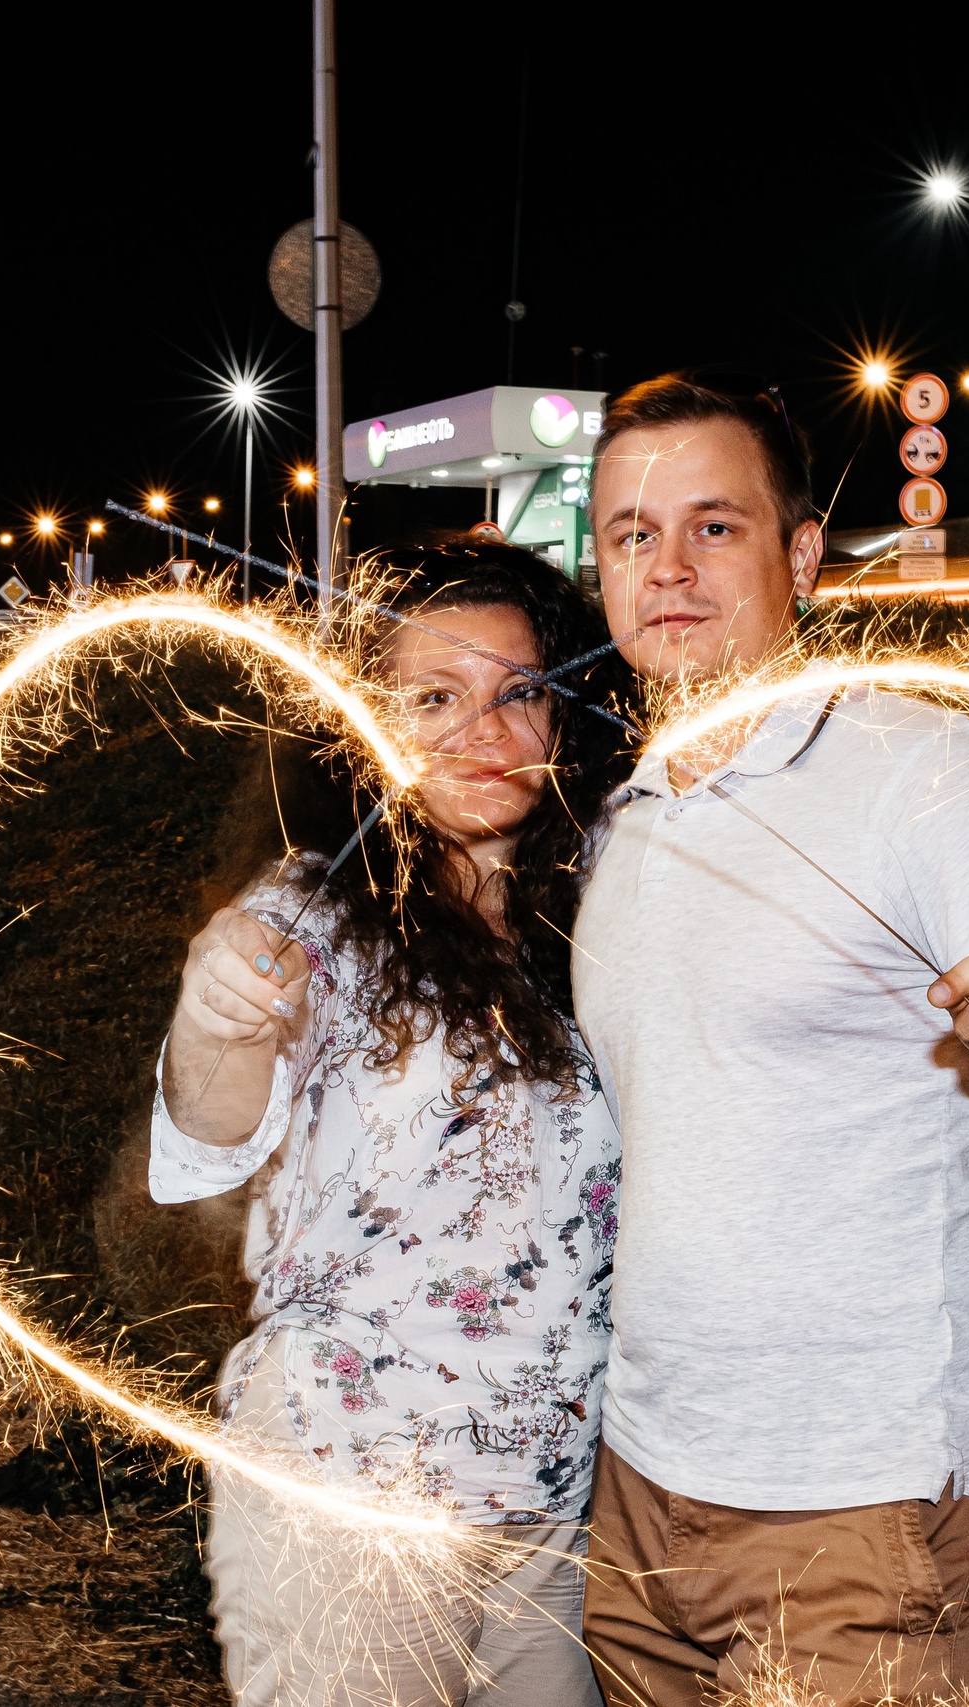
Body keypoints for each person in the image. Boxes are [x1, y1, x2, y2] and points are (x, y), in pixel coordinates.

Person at [570, 374, 969, 1707]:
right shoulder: (620, 818)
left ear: (801, 554)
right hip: (642, 1494)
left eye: (714, 527)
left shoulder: (930, 771)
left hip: (866, 1513)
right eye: (631, 533)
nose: (667, 567)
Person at [152, 539, 636, 1707]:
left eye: (520, 692)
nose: (485, 731)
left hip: (550, 1516)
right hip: (352, 1496)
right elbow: (211, 1125)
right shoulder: (315, 917)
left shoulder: (603, 916)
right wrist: (217, 1019)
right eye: (432, 698)